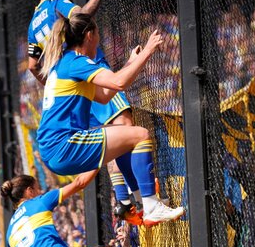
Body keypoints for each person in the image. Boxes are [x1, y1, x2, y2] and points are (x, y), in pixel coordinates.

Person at [27, 0, 147, 225]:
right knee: (124, 124)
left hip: (70, 90)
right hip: (87, 70)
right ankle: (139, 199)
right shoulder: (57, 4)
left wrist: (56, 89)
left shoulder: (34, 22)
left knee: (109, 138)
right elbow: (82, 17)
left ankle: (126, 201)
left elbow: (33, 65)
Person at [37, 12, 185, 226]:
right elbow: (119, 83)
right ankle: (151, 205)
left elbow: (105, 96)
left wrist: (130, 62)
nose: (99, 40)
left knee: (125, 141)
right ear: (89, 35)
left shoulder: (64, 64)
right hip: (63, 146)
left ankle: (142, 201)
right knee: (141, 135)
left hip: (54, 149)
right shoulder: (76, 62)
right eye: (98, 34)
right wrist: (148, 51)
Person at [1, 169, 123, 247]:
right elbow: (80, 183)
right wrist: (100, 156)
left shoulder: (9, 235)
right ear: (29, 191)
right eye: (38, 189)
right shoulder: (40, 202)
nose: (40, 192)